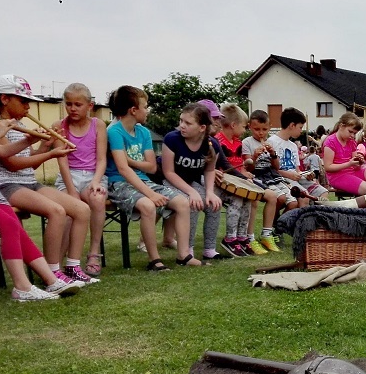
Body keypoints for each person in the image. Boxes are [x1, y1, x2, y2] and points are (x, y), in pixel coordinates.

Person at [0, 74, 94, 287]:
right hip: (6, 185)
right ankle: (52, 272)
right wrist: (51, 154)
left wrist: (46, 145)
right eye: (23, 101)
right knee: (57, 211)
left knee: (81, 209)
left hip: (29, 183)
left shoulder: (19, 125)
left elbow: (30, 163)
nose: (28, 106)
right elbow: (12, 164)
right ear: (5, 99)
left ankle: (72, 267)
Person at [0, 118, 77, 304]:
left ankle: (51, 280)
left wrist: (29, 140)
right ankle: (22, 287)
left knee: (14, 225)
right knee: (8, 224)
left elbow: (2, 151)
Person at [105, 85, 197, 271]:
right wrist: (150, 194)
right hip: (119, 183)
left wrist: (129, 160)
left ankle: (184, 255)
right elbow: (122, 170)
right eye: (145, 107)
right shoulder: (114, 132)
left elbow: (152, 166)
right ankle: (154, 260)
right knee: (148, 205)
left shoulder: (144, 132)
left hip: (143, 181)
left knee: (182, 201)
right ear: (133, 110)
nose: (147, 111)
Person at [53, 83, 108, 276]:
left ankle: (93, 253)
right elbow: (62, 161)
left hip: (93, 175)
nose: (73, 108)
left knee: (97, 199)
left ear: (89, 106)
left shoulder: (98, 125)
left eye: (78, 104)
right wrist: (71, 191)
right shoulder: (59, 126)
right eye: (68, 104)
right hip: (68, 176)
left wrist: (96, 181)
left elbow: (101, 159)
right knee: (68, 209)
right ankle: (57, 263)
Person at [160, 103, 225, 263]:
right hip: (168, 182)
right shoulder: (172, 139)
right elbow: (168, 172)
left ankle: (209, 249)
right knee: (193, 203)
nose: (182, 125)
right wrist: (192, 192)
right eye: (181, 120)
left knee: (214, 204)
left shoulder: (212, 145)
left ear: (202, 127)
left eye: (188, 123)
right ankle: (187, 250)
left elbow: (209, 170)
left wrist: (210, 192)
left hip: (191, 182)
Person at [215, 103, 274, 256]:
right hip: (221, 182)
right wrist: (241, 176)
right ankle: (230, 238)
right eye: (243, 126)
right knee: (238, 198)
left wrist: (245, 175)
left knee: (248, 197)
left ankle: (242, 237)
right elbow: (220, 166)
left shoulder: (238, 143)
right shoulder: (217, 141)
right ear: (233, 125)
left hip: (236, 180)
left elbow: (240, 166)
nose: (244, 130)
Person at [242, 109, 291, 252]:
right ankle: (254, 236)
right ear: (250, 127)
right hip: (256, 176)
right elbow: (248, 168)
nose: (261, 133)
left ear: (269, 127)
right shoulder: (247, 142)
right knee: (272, 197)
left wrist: (273, 154)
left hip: (271, 175)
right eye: (257, 129)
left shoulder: (270, 142)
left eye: (264, 129)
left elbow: (276, 167)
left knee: (286, 199)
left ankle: (268, 234)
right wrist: (254, 156)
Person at [322, 112, 366, 203]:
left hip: (352, 172)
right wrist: (349, 164)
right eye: (350, 132)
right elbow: (328, 167)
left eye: (354, 133)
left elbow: (356, 166)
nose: (352, 135)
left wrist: (359, 161)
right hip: (338, 177)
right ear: (341, 126)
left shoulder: (351, 141)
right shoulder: (330, 141)